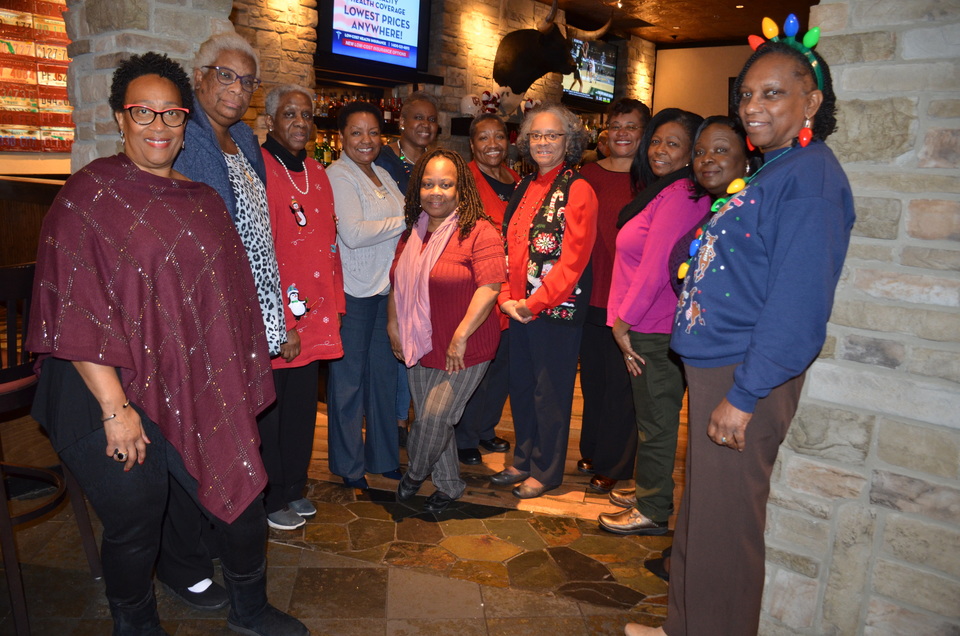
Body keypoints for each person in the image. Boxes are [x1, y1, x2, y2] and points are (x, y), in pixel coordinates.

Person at [27, 52, 307, 636]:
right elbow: (75, 309)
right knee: (137, 508)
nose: (158, 126)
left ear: (186, 121)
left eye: (171, 114)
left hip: (184, 375)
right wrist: (117, 410)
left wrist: (229, 386)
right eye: (143, 112)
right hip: (95, 385)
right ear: (120, 118)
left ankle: (250, 609)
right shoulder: (88, 195)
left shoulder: (204, 200)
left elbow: (225, 302)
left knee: (240, 484)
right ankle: (135, 624)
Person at [625, 25, 854, 636]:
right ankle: (682, 626)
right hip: (715, 366)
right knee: (703, 510)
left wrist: (746, 393)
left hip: (744, 372)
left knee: (727, 524)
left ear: (811, 102)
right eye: (747, 94)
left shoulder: (810, 177)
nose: (753, 107)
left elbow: (799, 305)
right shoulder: (772, 170)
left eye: (773, 93)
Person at [166, 31, 285, 607]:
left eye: (247, 81)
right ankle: (184, 555)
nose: (237, 89)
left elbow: (256, 225)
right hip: (206, 308)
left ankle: (223, 529)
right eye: (226, 75)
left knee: (237, 425)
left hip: (249, 299)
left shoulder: (242, 138)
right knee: (201, 429)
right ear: (200, 76)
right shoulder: (182, 136)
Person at [597, 108, 706, 536]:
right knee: (650, 417)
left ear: (691, 152)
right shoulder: (665, 190)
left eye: (673, 143)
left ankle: (653, 509)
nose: (660, 150)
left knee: (657, 421)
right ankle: (649, 489)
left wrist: (623, 322)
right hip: (651, 322)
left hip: (653, 326)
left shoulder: (681, 194)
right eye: (656, 141)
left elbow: (657, 269)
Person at [387, 148, 507, 513]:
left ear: (460, 189)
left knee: (435, 418)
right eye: (428, 184)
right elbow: (397, 283)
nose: (435, 192)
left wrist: (460, 336)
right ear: (417, 189)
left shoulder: (479, 231)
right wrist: (393, 324)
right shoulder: (412, 234)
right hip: (421, 341)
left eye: (445, 184)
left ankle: (414, 474)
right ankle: (450, 485)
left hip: (466, 345)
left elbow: (490, 288)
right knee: (431, 421)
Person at [489, 103, 598, 499]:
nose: (543, 142)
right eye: (536, 135)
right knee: (521, 388)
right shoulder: (523, 185)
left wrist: (532, 305)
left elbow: (573, 262)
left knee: (549, 394)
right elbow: (507, 247)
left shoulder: (578, 188)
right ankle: (523, 459)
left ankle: (547, 470)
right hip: (517, 308)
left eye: (553, 135)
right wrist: (506, 298)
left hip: (554, 311)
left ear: (569, 142)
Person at [260, 84, 345, 530]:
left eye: (306, 115)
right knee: (272, 413)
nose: (299, 122)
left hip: (316, 314)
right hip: (279, 318)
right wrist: (280, 323)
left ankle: (294, 486)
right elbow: (260, 252)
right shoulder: (260, 168)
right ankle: (271, 497)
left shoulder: (317, 170)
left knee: (301, 410)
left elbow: (329, 244)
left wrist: (336, 303)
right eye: (289, 114)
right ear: (270, 120)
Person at [326, 100, 406, 489]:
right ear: (342, 136)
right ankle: (349, 465)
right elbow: (354, 234)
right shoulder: (338, 175)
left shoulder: (383, 173)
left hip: (386, 291)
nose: (366, 140)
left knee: (383, 379)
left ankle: (384, 458)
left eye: (373, 132)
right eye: (356, 132)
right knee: (348, 384)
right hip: (353, 292)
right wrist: (405, 219)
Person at [576, 98, 650, 494]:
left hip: (630, 299)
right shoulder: (587, 174)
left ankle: (616, 463)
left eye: (631, 126)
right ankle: (592, 449)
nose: (622, 133)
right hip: (590, 293)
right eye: (616, 126)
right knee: (594, 381)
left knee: (623, 387)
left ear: (644, 133)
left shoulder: (652, 179)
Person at [375, 91, 440, 447]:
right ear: (401, 122)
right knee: (396, 340)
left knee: (415, 337)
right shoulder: (383, 159)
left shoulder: (436, 164)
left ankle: (410, 417)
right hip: (385, 261)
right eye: (418, 117)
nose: (425, 125)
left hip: (424, 264)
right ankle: (395, 420)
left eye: (431, 119)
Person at [455, 113, 518, 466]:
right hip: (479, 286)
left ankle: (485, 429)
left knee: (502, 367)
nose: (492, 144)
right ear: (472, 144)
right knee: (476, 365)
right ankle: (464, 437)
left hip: (514, 290)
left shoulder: (517, 180)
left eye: (499, 137)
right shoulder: (463, 180)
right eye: (483, 137)